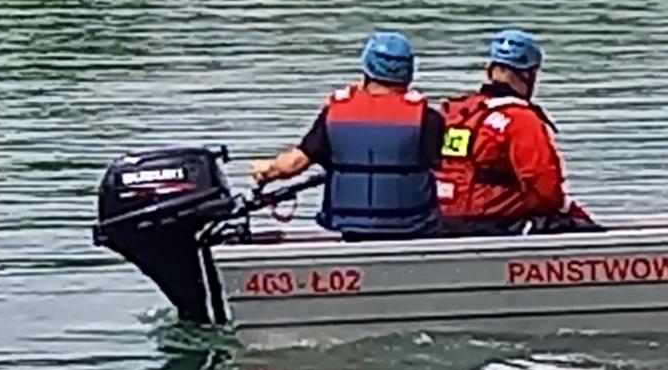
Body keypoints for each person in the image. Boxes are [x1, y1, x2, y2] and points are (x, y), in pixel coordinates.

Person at [250, 32, 445, 241]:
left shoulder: (336, 112)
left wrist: (267, 170)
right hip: (412, 227)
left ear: (366, 71)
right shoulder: (428, 117)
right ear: (408, 73)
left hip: (349, 228)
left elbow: (292, 165)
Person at [436, 29, 597, 236]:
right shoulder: (520, 119)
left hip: (445, 220)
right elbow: (545, 186)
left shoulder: (457, 113)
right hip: (498, 223)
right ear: (529, 75)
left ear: (490, 70)